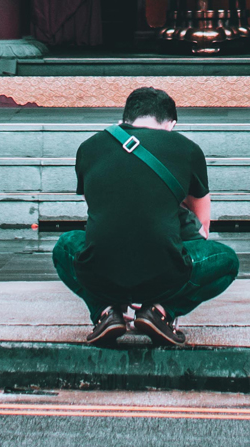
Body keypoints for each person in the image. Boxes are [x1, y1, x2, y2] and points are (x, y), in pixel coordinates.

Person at [52, 86, 239, 348]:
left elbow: (96, 207)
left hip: (100, 271)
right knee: (226, 261)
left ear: (126, 119)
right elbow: (202, 228)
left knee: (65, 246)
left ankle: (106, 312)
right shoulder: (187, 148)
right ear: (170, 124)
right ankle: (160, 312)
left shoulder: (89, 147)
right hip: (166, 276)